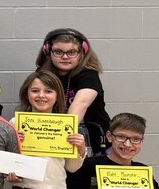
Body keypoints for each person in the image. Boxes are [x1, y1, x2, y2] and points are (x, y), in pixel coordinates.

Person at [35, 28, 110, 156]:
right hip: (55, 141)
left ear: (82, 52)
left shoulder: (89, 74)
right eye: (58, 52)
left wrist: (60, 136)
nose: (65, 57)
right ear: (48, 51)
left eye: (72, 52)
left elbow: (80, 105)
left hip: (94, 143)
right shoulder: (42, 75)